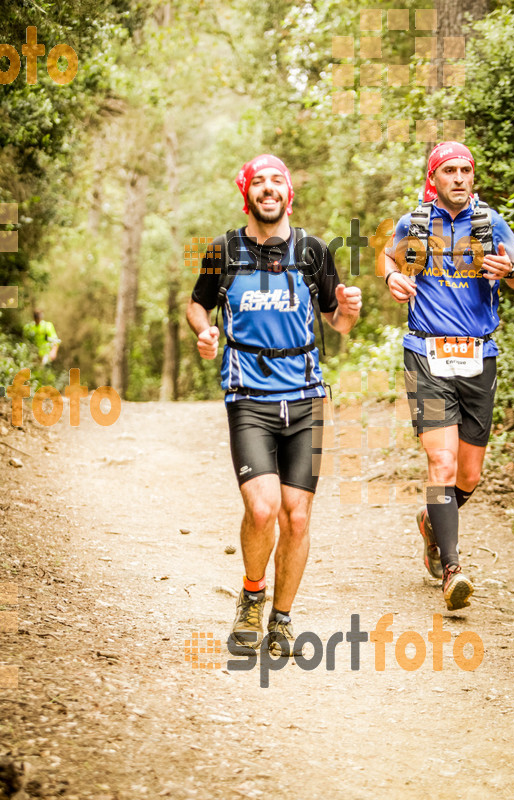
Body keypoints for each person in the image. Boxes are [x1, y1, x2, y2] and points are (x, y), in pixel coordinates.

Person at [187, 154, 362, 654]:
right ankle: (251, 595)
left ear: (289, 193)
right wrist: (205, 331)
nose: (269, 189)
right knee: (262, 510)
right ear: (248, 194)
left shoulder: (313, 250)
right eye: (259, 182)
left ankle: (281, 619)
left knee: (298, 516)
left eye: (277, 181)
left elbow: (337, 321)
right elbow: (197, 302)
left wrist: (348, 310)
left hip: (307, 399)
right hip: (249, 397)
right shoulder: (224, 250)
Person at [384, 141, 514, 611]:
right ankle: (452, 568)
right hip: (425, 355)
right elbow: (388, 258)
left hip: (478, 357)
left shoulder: (491, 224)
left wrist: (511, 270)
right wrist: (393, 278)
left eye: (466, 169)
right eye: (450, 170)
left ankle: (432, 521)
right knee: (441, 466)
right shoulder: (415, 223)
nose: (460, 177)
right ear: (435, 177)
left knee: (468, 475)